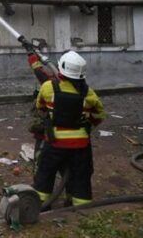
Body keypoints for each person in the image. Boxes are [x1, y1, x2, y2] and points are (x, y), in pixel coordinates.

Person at [30, 50, 106, 207]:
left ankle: (42, 204)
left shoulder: (48, 87)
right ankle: (80, 205)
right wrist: (86, 125)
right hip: (80, 145)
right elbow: (99, 115)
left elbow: (40, 107)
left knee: (45, 172)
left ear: (61, 68)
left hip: (54, 142)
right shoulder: (89, 93)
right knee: (81, 175)